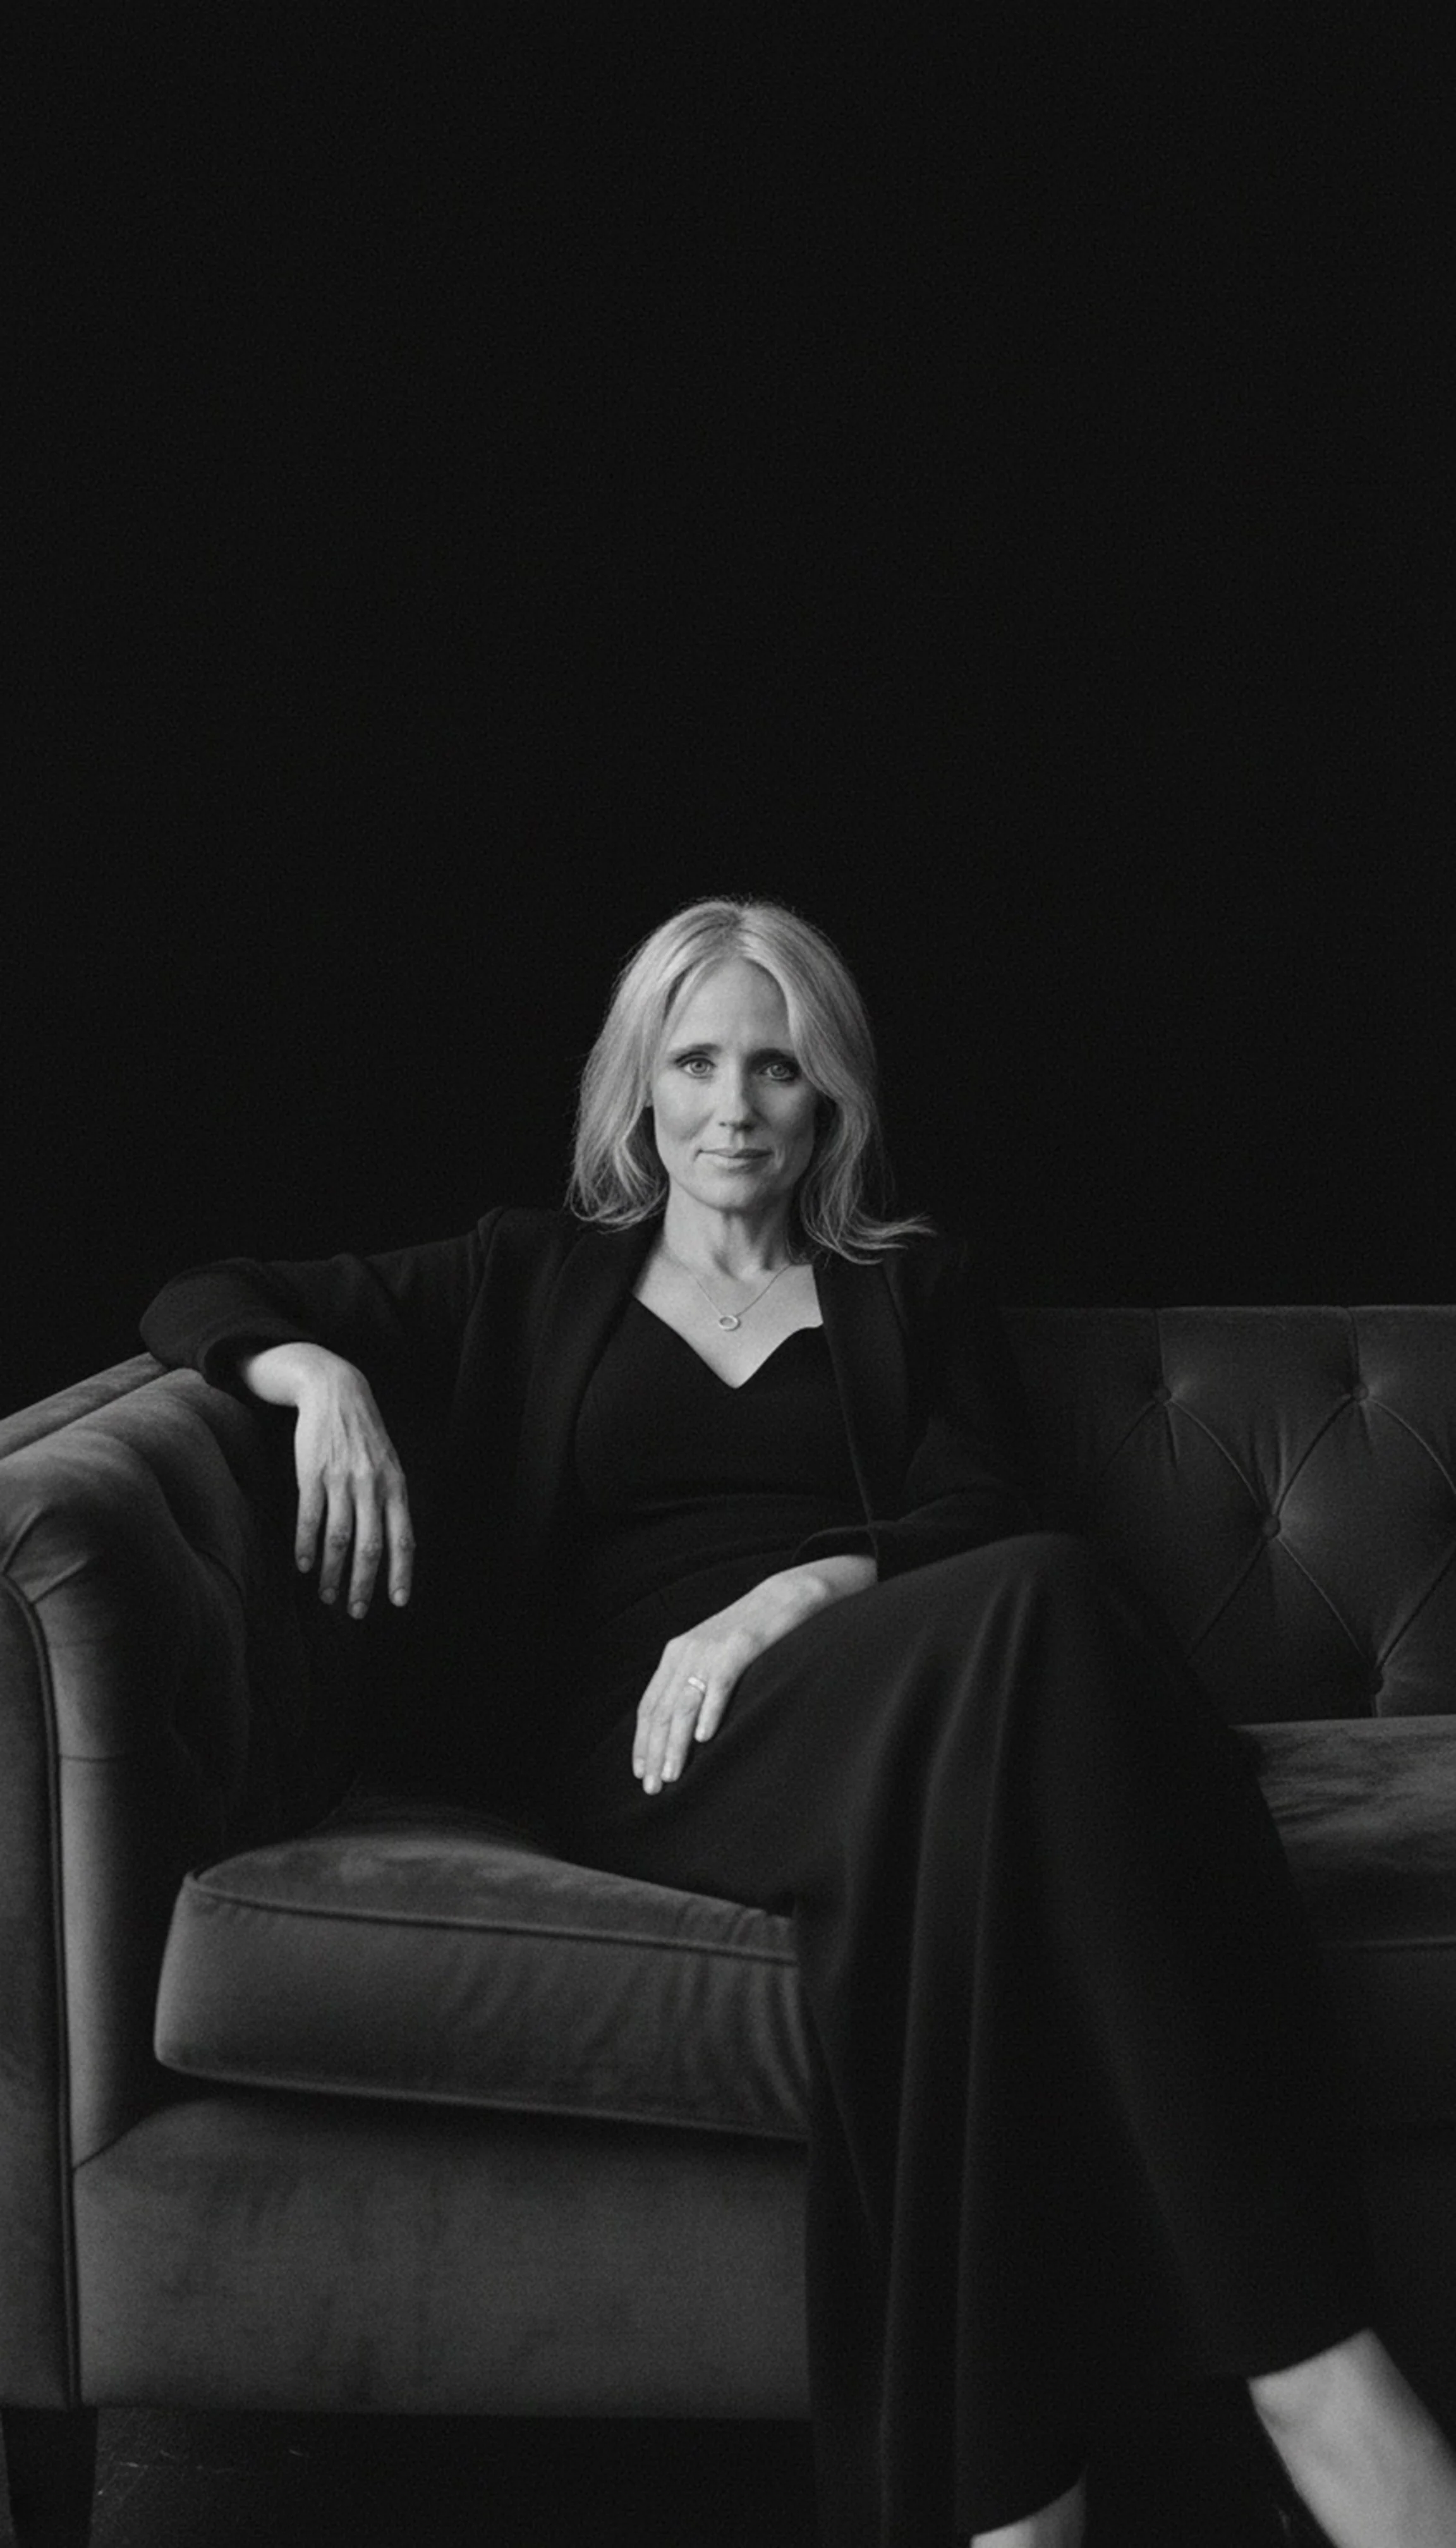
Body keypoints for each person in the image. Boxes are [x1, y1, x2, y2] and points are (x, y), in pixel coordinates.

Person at [141, 896, 1456, 2548]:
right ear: (637, 1085)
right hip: (662, 1742)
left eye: (776, 1066)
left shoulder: (907, 1284)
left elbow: (977, 1509)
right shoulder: (526, 1272)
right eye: (695, 1062)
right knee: (1050, 1627)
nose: (734, 1108)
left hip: (898, 1693)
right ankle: (1317, 2382)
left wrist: (788, 1597)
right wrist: (317, 1379)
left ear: (829, 1093)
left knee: (1014, 1702)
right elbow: (202, 1291)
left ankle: (1021, 2509)